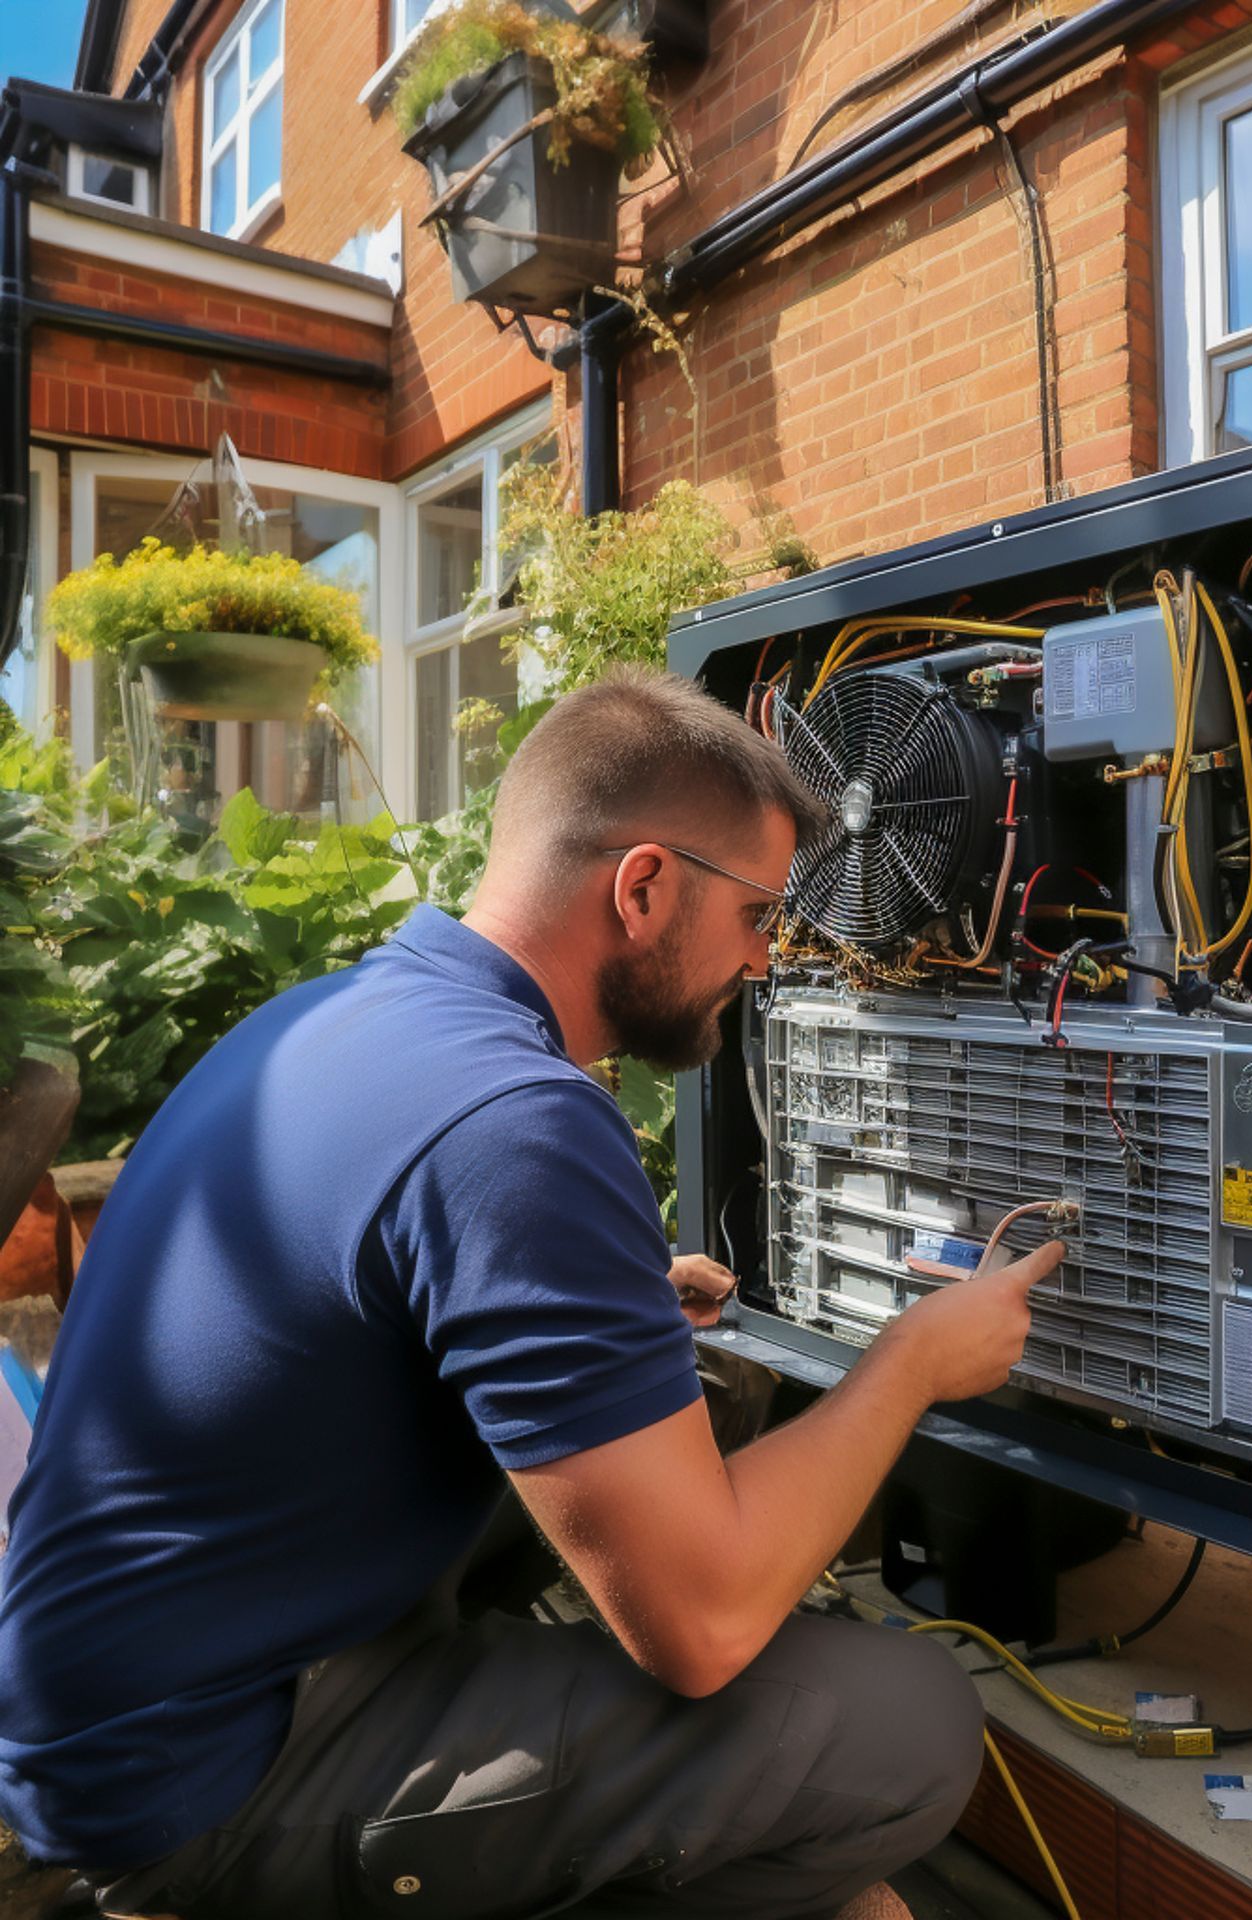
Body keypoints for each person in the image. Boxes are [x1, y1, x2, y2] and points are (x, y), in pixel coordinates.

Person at [0, 667, 1065, 1920]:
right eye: (763, 916)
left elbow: (366, 1297)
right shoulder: (517, 1121)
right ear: (645, 886)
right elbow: (705, 1625)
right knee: (905, 1728)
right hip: (198, 1785)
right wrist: (915, 1364)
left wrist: (606, 1299)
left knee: (697, 1409)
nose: (769, 961)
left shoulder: (343, 1015)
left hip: (124, 1699)